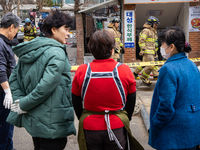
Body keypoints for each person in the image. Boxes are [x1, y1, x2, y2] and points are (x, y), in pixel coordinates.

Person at [6, 10, 76, 150]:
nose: (69, 33)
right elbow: (45, 87)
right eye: (66, 29)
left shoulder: (31, 49)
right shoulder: (57, 53)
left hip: (35, 122)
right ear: (54, 30)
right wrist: (23, 104)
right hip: (53, 124)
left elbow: (14, 78)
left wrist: (21, 102)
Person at [72, 29, 144, 150]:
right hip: (117, 125)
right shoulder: (124, 70)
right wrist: (126, 118)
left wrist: (85, 117)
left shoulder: (82, 70)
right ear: (112, 50)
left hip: (90, 127)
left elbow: (76, 100)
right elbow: (131, 100)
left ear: (91, 50)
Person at [148, 26, 200, 150]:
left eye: (162, 44)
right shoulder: (191, 64)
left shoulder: (168, 69)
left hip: (173, 134)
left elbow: (165, 107)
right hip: (193, 131)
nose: (161, 47)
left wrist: (155, 124)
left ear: (171, 47)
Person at [0, 12, 20, 150]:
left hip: (5, 92)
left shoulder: (5, 42)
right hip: (2, 94)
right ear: (11, 27)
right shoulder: (0, 43)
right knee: (4, 127)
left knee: (7, 127)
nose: (15, 35)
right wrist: (7, 92)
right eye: (16, 31)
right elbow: (0, 70)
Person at [133, 16, 159, 85]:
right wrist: (143, 49)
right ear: (151, 23)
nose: (156, 25)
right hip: (147, 51)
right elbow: (141, 40)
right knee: (151, 65)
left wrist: (155, 52)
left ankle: (135, 73)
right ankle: (144, 77)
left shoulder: (153, 31)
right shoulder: (146, 30)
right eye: (155, 24)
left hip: (152, 52)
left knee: (143, 64)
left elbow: (154, 43)